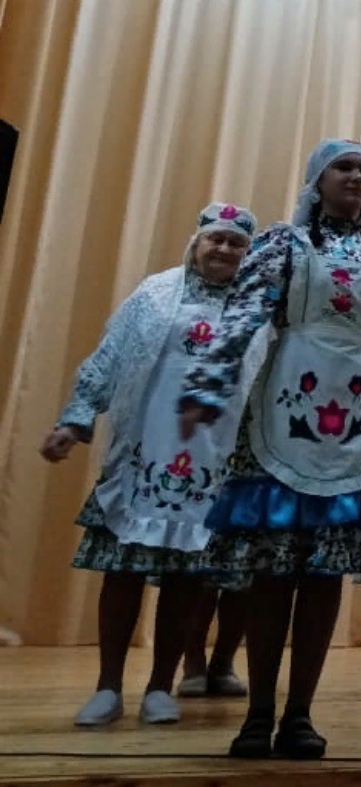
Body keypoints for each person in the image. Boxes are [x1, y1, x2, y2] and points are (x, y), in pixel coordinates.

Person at [179, 140, 361, 759]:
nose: (357, 177)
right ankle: (257, 715)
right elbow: (243, 314)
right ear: (317, 180)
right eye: (344, 167)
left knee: (324, 575)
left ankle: (300, 714)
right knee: (273, 574)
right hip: (284, 409)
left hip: (357, 422)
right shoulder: (283, 244)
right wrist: (209, 384)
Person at [42, 203, 259, 726]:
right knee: (122, 573)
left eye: (236, 243)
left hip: (214, 461)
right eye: (216, 239)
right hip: (142, 453)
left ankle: (161, 686)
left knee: (188, 579)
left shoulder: (256, 310)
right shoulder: (155, 293)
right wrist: (74, 420)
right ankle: (108, 687)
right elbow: (109, 357)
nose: (224, 249)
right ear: (196, 244)